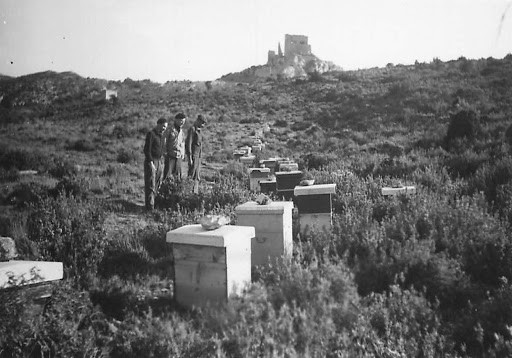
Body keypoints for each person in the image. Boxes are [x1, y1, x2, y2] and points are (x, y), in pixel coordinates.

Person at [143, 117, 168, 211]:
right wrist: (151, 162)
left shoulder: (162, 136)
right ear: (159, 124)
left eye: (165, 127)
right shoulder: (151, 134)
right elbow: (147, 149)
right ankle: (149, 207)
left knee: (157, 183)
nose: (164, 128)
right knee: (151, 184)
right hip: (151, 161)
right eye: (163, 126)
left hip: (159, 161)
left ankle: (154, 204)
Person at [185, 115, 206, 191]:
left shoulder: (200, 131)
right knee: (191, 175)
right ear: (198, 121)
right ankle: (188, 192)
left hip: (198, 157)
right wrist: (189, 157)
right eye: (202, 122)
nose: (203, 125)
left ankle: (195, 193)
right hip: (193, 156)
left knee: (197, 176)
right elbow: (189, 144)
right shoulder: (192, 130)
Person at [164, 113, 186, 182]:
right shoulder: (169, 130)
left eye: (183, 121)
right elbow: (164, 141)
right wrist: (165, 153)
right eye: (181, 121)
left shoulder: (181, 131)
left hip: (178, 157)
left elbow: (182, 143)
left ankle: (175, 191)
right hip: (170, 156)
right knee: (167, 176)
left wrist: (182, 154)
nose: (182, 123)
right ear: (176, 120)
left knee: (177, 177)